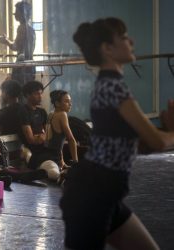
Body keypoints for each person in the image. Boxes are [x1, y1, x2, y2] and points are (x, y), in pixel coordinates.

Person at [60, 17, 174, 250]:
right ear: (107, 49)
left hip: (104, 194)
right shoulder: (114, 87)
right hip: (92, 195)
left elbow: (141, 144)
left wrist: (162, 132)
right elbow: (158, 142)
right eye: (123, 37)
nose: (130, 41)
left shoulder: (108, 85)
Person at [18, 80, 60, 181]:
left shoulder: (42, 112)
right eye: (37, 94)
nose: (40, 96)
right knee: (54, 173)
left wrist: (42, 137)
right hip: (33, 151)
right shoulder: (23, 111)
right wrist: (42, 136)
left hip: (46, 149)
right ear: (27, 95)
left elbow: (49, 136)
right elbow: (31, 140)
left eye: (41, 93)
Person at [0, 1, 35, 86]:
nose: (14, 14)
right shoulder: (29, 28)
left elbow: (15, 47)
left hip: (23, 65)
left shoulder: (23, 28)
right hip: (28, 64)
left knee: (21, 92)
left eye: (17, 12)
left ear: (23, 13)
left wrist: (6, 41)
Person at [47, 90, 78, 169]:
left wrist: (62, 162)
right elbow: (71, 140)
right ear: (57, 103)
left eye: (70, 101)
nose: (70, 104)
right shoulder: (62, 114)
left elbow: (54, 142)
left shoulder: (51, 114)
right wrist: (76, 164)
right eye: (67, 101)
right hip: (53, 159)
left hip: (46, 156)